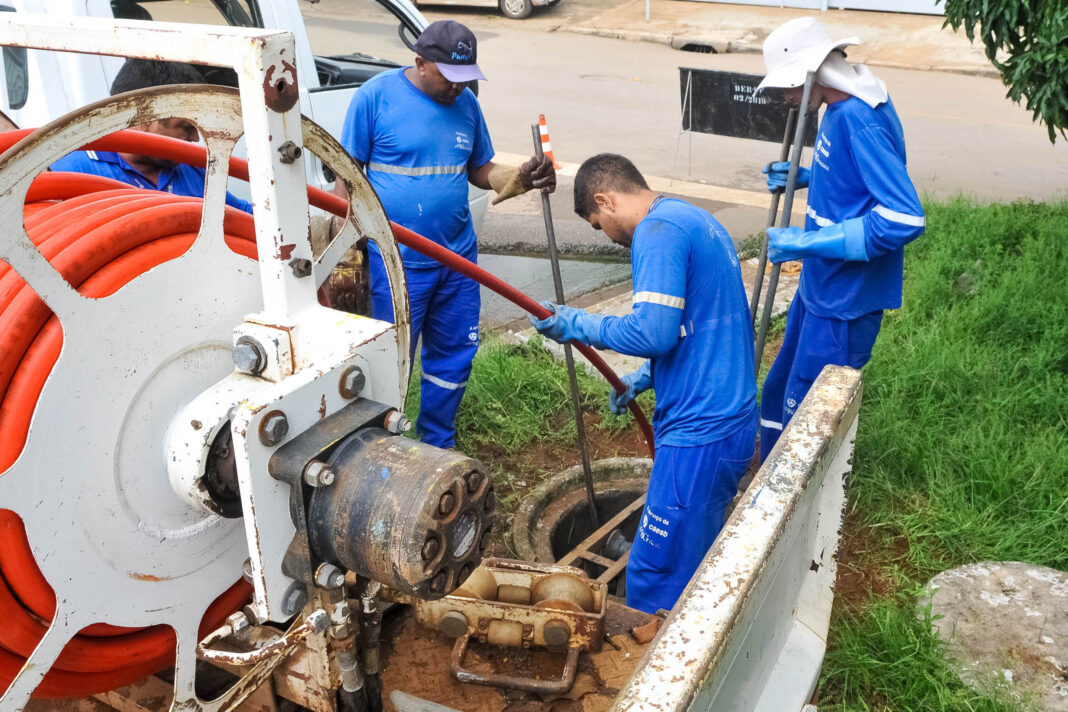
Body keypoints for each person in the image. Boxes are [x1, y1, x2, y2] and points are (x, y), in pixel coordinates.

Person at [529, 154, 757, 615]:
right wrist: (648, 376)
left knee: (655, 571)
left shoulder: (656, 233)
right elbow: (706, 322)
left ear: (605, 200)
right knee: (696, 551)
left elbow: (653, 332)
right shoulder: (694, 219)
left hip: (700, 435)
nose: (608, 237)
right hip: (732, 422)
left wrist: (580, 324)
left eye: (599, 225)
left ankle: (651, 664)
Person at [338, 20, 555, 449]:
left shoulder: (467, 106)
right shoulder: (376, 97)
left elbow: (479, 170)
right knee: (389, 361)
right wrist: (348, 246)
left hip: (457, 261)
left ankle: (437, 442)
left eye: (466, 78)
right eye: (451, 78)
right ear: (420, 62)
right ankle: (377, 447)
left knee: (453, 358)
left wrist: (520, 177)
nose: (459, 88)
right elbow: (346, 177)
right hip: (397, 263)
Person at [756, 18, 925, 461]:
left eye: (791, 86)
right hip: (820, 288)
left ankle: (787, 507)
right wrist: (806, 178)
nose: (787, 98)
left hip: (845, 303)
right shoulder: (835, 107)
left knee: (806, 414)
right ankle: (762, 475)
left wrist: (804, 244)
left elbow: (903, 218)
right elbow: (858, 184)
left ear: (815, 72)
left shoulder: (858, 119)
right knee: (780, 387)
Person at [51, 59, 253, 214]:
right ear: (143, 117)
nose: (195, 139)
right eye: (185, 127)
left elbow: (241, 215)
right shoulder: (69, 174)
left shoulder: (191, 169)